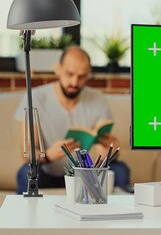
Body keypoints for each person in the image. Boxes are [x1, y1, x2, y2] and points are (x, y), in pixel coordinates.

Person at [14, 46, 130, 194]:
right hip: (47, 173)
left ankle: (116, 214)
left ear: (89, 74)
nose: (75, 82)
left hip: (86, 175)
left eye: (82, 76)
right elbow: (26, 154)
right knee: (26, 172)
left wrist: (110, 153)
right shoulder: (34, 98)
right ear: (58, 69)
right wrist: (48, 155)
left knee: (120, 170)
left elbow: (104, 146)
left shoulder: (98, 99)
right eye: (70, 74)